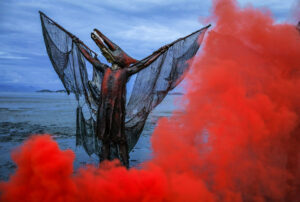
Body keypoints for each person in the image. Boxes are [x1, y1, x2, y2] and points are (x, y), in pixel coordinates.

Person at [73, 29, 169, 167]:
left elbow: (144, 63)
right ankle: (104, 165)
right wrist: (78, 45)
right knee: (104, 139)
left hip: (117, 109)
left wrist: (160, 52)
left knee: (120, 138)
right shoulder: (104, 68)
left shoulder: (126, 71)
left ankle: (125, 164)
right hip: (104, 109)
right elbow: (90, 58)